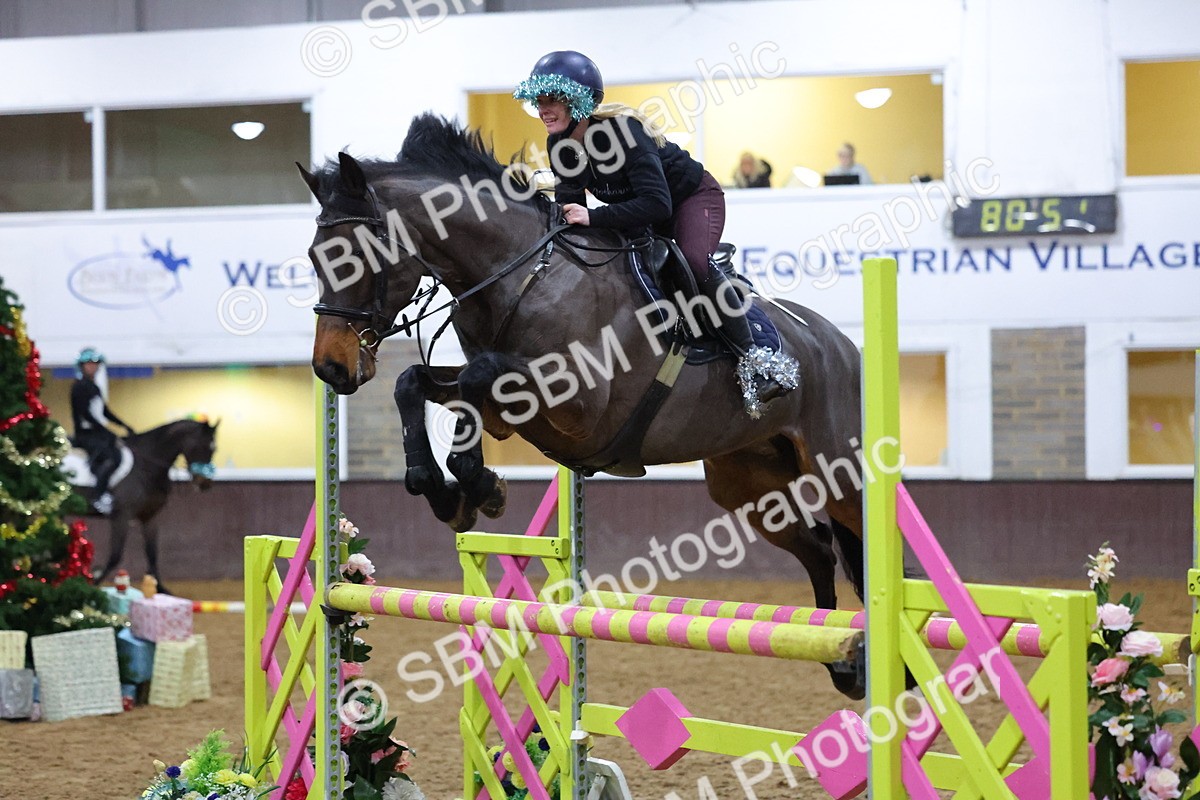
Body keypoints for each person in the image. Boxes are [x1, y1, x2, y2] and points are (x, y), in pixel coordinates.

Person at [513, 50, 796, 404]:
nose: (543, 109)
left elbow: (657, 204)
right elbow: (574, 214)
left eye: (552, 99)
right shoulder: (559, 146)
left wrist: (595, 218)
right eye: (538, 100)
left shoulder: (624, 132)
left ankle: (755, 360)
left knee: (692, 260)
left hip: (690, 200)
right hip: (639, 212)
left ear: (579, 101)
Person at [70, 348, 134, 514]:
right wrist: (108, 433)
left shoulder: (94, 388)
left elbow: (104, 411)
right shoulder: (79, 388)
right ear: (82, 366)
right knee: (110, 458)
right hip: (86, 434)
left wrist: (123, 425)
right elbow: (87, 415)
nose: (93, 368)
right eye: (89, 364)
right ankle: (99, 495)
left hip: (97, 432)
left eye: (95, 364)